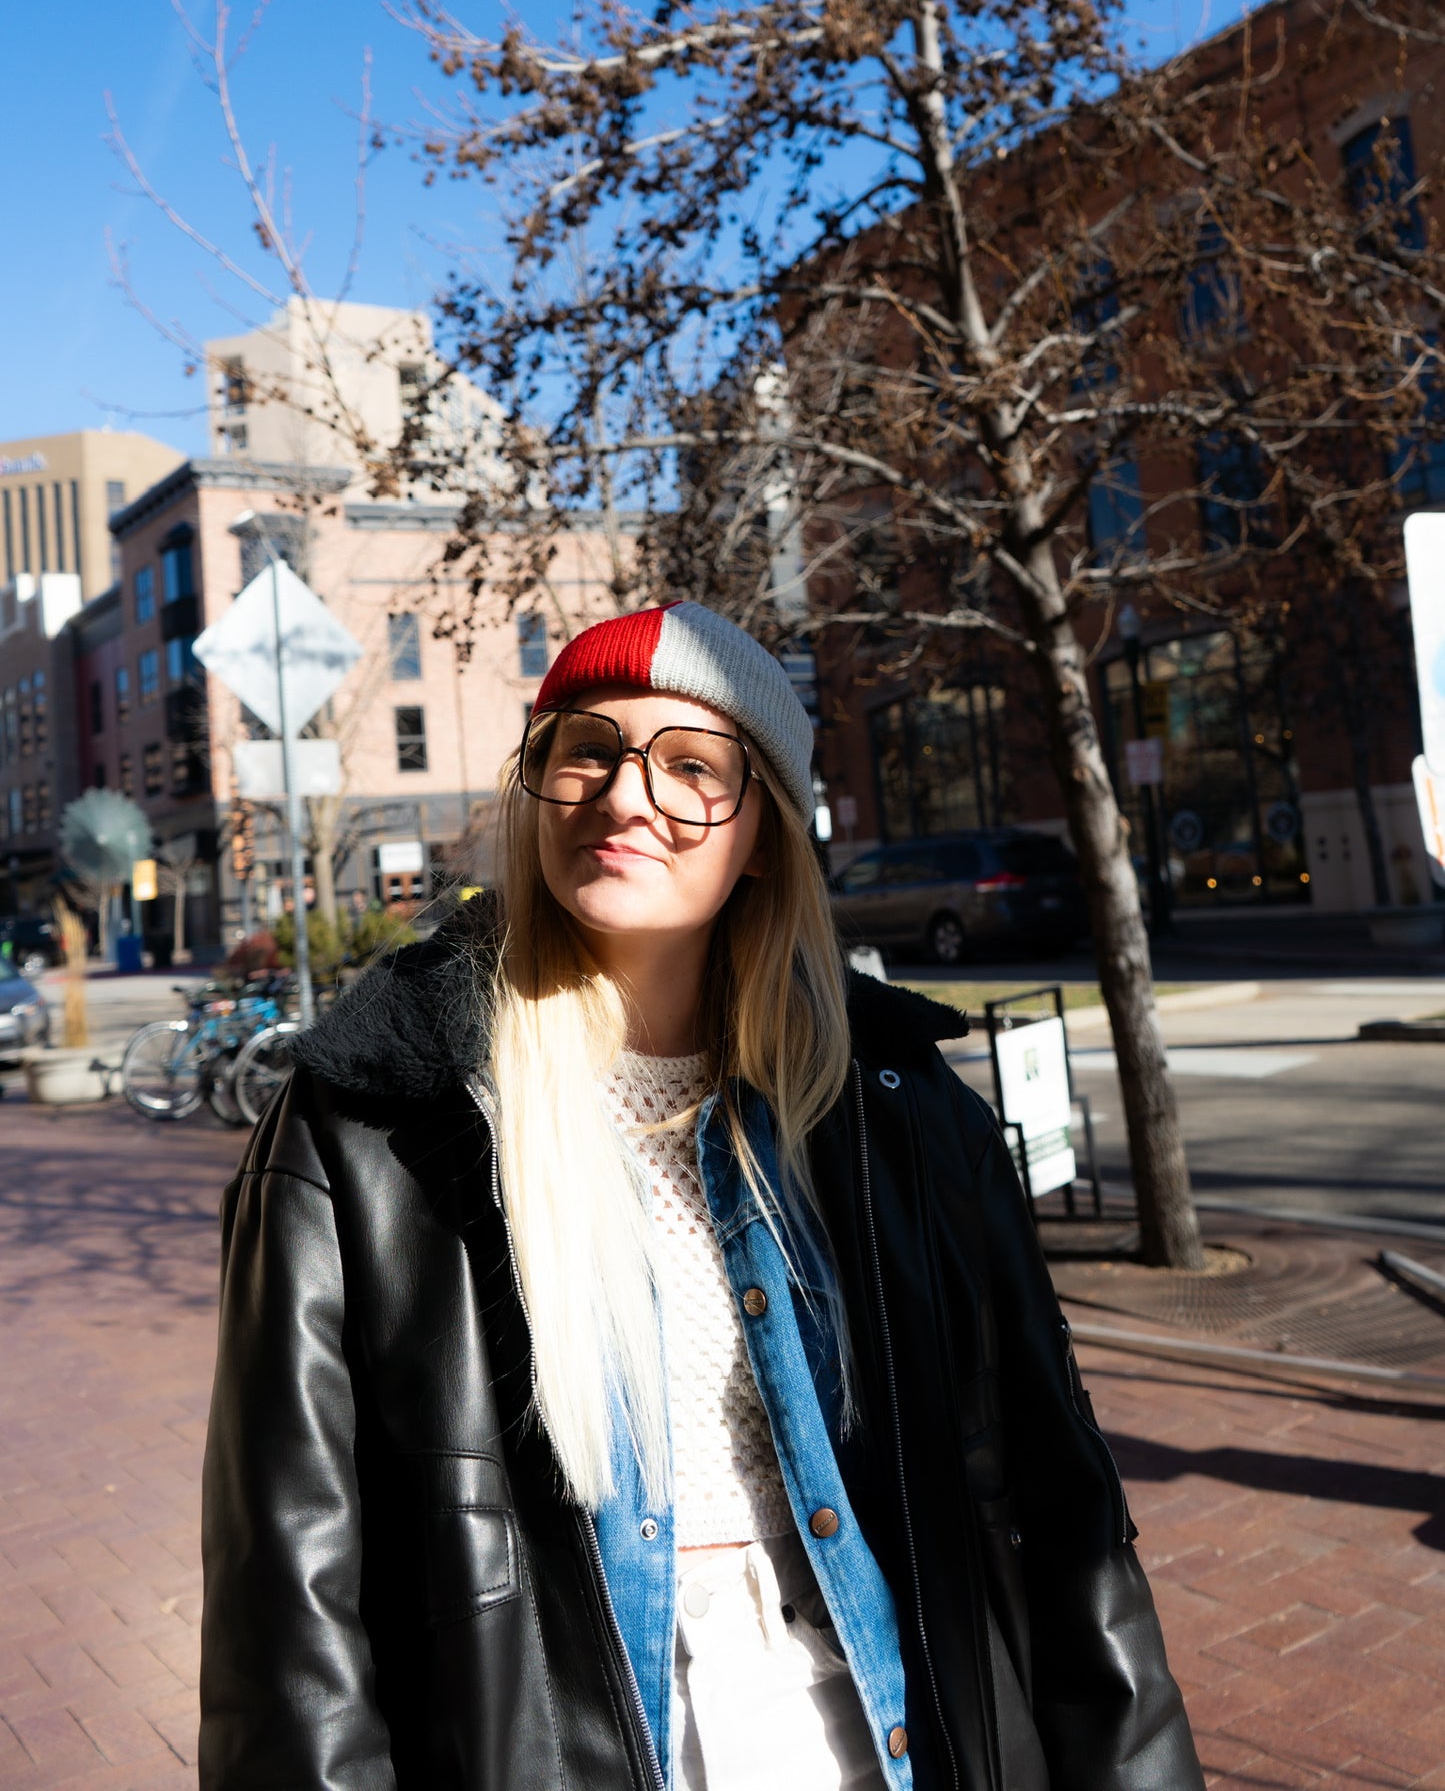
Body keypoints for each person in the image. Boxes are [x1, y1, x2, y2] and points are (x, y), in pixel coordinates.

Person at [199, 601, 1204, 1791]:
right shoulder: (370, 1125)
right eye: (586, 749)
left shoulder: (902, 1112)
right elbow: (286, 1610)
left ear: (764, 832)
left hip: (879, 1733)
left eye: (690, 766)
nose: (627, 795)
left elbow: (1061, 1507)